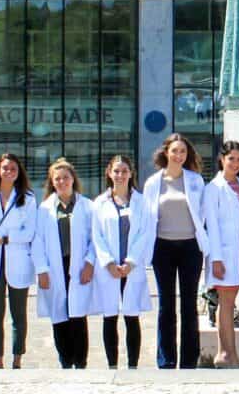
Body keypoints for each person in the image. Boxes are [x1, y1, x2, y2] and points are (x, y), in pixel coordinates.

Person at [141, 133, 207, 369]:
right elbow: (146, 218)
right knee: (167, 305)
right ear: (166, 152)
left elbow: (203, 214)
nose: (179, 156)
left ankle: (189, 360)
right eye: (175, 151)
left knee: (189, 304)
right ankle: (166, 359)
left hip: (190, 247)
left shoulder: (196, 181)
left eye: (183, 152)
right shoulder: (152, 183)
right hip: (163, 248)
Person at [34, 158, 98, 369]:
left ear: (73, 179)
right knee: (59, 316)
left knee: (77, 315)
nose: (62, 182)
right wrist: (42, 270)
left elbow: (95, 238)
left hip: (78, 265)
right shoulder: (44, 209)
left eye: (66, 177)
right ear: (52, 182)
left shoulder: (87, 206)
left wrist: (89, 263)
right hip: (55, 266)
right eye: (57, 179)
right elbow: (38, 241)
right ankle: (65, 361)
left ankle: (80, 362)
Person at [0, 153, 38, 369]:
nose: (9, 172)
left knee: (19, 314)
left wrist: (5, 238)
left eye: (13, 168)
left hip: (18, 260)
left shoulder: (28, 197)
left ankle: (17, 359)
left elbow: (30, 231)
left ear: (18, 172)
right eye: (5, 168)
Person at [93, 155, 152, 369]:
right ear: (109, 173)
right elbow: (96, 235)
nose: (120, 175)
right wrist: (108, 262)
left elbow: (145, 233)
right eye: (116, 171)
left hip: (131, 268)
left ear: (131, 173)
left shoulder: (141, 202)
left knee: (131, 316)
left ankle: (133, 366)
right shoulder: (100, 203)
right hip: (109, 269)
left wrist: (131, 261)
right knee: (110, 316)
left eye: (124, 171)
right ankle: (112, 365)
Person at [204, 141, 239, 368]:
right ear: (222, 159)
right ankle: (227, 355)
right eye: (231, 159)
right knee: (226, 304)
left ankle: (226, 354)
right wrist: (216, 258)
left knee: (230, 301)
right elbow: (212, 225)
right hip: (224, 254)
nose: (235, 163)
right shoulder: (214, 188)